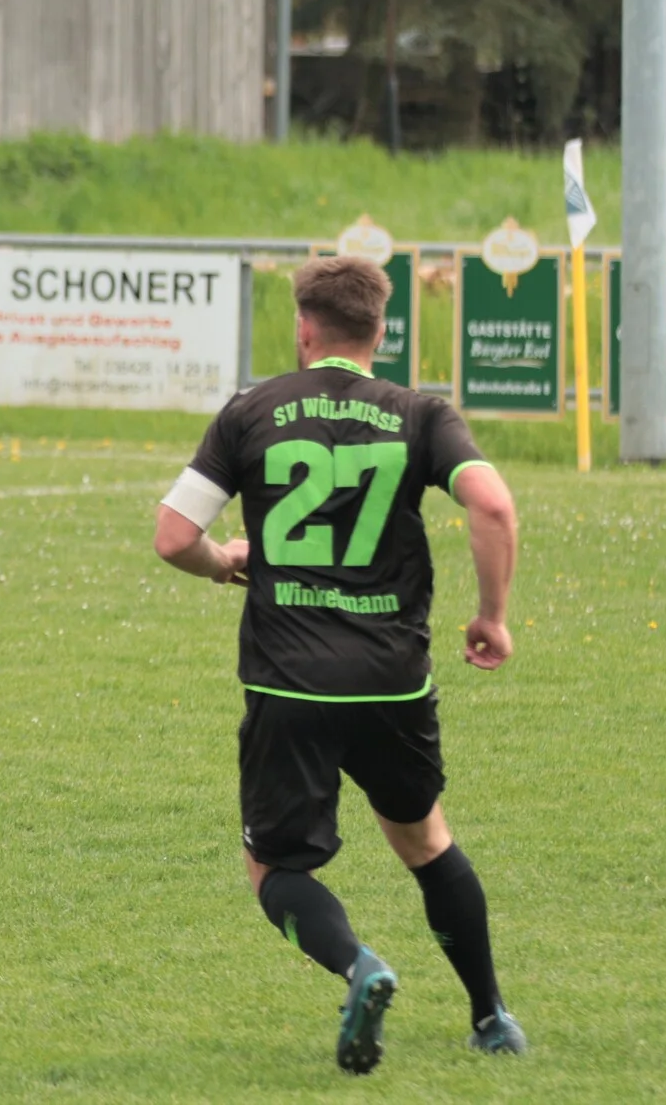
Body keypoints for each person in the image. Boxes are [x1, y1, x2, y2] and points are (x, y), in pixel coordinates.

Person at [153, 256, 526, 1074]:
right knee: (425, 840)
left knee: (274, 866)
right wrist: (491, 615)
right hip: (392, 678)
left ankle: (361, 966)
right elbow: (493, 504)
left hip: (288, 680)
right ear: (380, 331)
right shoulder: (420, 414)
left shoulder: (251, 410)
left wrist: (225, 563)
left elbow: (174, 536)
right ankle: (491, 1015)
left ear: (304, 328)